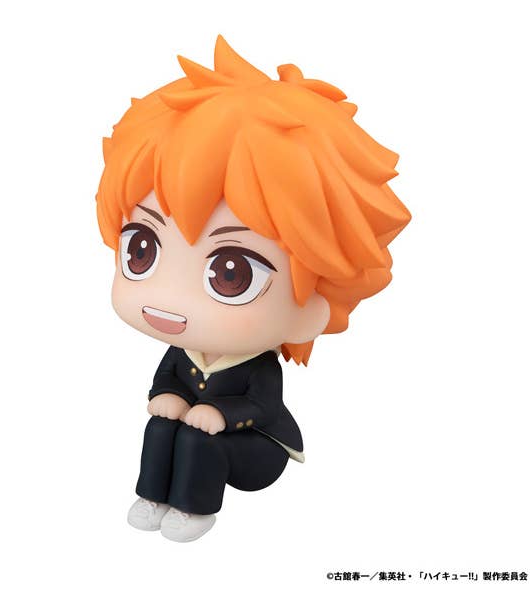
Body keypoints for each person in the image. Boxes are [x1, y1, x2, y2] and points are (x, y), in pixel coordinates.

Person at [95, 35, 410, 542]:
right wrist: (166, 397)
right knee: (160, 425)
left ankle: (194, 508)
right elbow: (166, 382)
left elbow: (262, 407)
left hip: (253, 449)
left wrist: (219, 413)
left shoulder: (256, 366)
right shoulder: (183, 352)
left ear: (313, 306)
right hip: (195, 432)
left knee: (199, 441)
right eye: (142, 250)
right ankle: (153, 495)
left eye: (231, 274)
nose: (167, 299)